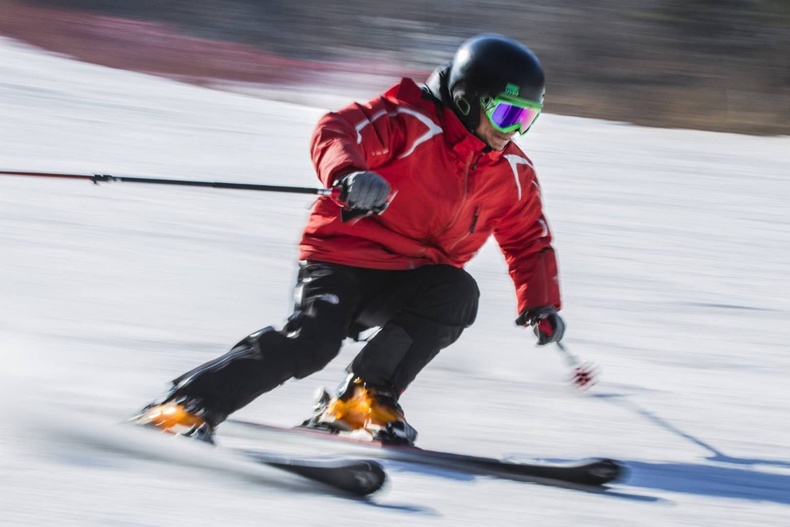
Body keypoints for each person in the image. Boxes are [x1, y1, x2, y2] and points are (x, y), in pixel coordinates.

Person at [133, 33, 565, 445]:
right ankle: (185, 405)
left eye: (527, 117)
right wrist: (349, 174)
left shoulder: (512, 172)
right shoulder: (408, 121)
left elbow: (529, 238)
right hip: (343, 259)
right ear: (467, 99)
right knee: (311, 345)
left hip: (410, 279)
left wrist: (540, 303)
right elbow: (338, 128)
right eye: (507, 114)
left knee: (457, 293)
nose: (514, 130)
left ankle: (362, 397)